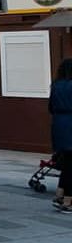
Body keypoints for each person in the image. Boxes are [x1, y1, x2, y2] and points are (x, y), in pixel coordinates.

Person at [49, 59, 72, 212]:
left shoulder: (56, 85)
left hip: (58, 124)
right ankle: (68, 201)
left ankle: (59, 193)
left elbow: (50, 107)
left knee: (67, 161)